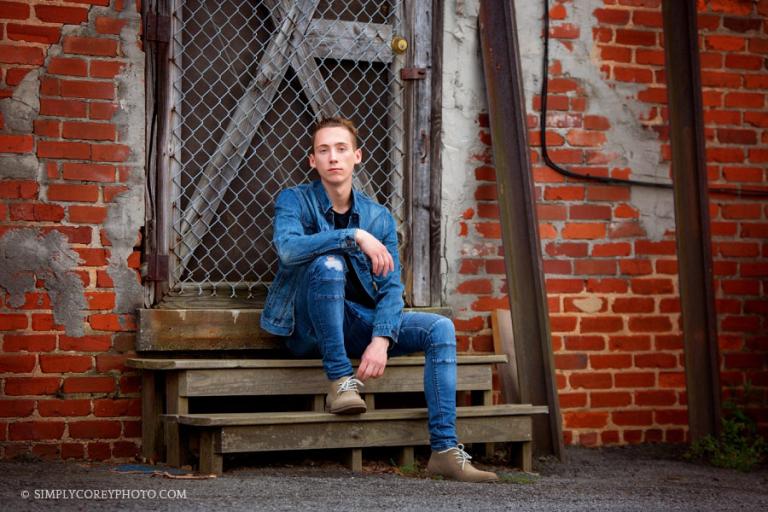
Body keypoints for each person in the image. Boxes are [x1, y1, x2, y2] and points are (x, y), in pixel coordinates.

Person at [260, 117, 498, 483]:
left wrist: (381, 339)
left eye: (341, 149)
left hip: (355, 322)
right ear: (312, 161)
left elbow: (390, 290)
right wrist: (352, 235)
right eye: (323, 150)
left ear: (357, 156)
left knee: (440, 327)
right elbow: (289, 251)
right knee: (330, 264)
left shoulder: (379, 217)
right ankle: (339, 380)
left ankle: (445, 451)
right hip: (305, 328)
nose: (333, 158)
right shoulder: (294, 200)